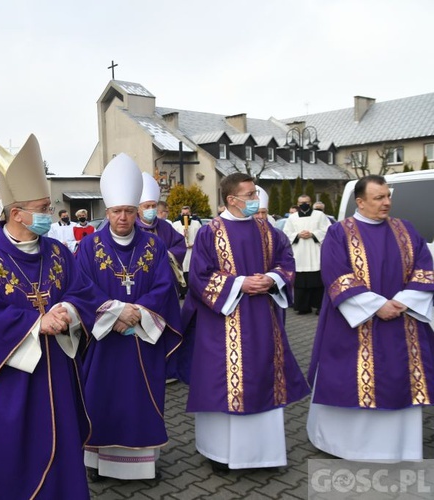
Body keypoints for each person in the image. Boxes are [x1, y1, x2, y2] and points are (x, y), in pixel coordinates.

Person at [0, 134, 98, 499]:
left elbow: (83, 292)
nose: (49, 215)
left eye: (49, 208)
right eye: (43, 208)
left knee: (62, 449)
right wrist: (35, 325)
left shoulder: (60, 252)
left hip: (58, 374)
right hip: (8, 378)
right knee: (12, 456)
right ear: (16, 213)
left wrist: (71, 311)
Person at [186, 172, 309, 471]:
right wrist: (239, 284)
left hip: (264, 323)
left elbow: (286, 263)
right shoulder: (210, 232)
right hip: (222, 324)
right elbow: (199, 277)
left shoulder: (268, 230)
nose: (257, 199)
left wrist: (272, 278)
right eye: (251, 194)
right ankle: (221, 454)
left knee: (263, 378)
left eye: (255, 194)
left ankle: (264, 455)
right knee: (221, 384)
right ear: (232, 199)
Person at [306, 175, 434, 462]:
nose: (387, 202)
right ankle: (344, 446)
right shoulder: (339, 233)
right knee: (347, 378)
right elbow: (336, 276)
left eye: (388, 196)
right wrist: (376, 306)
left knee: (400, 378)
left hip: (403, 322)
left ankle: (400, 447)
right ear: (360, 202)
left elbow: (425, 269)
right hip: (353, 326)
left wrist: (403, 302)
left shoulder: (406, 230)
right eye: (379, 198)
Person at [77, 153, 182, 481]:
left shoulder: (154, 245)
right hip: (104, 343)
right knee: (101, 398)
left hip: (142, 340)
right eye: (117, 211)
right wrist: (117, 312)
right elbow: (81, 289)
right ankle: (97, 463)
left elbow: (165, 287)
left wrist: (137, 313)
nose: (123, 218)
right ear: (106, 212)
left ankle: (143, 466)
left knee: (142, 401)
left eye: (129, 211)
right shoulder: (89, 247)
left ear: (137, 211)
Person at [136, 173, 187, 292]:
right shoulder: (132, 227)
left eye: (153, 206)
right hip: (140, 277)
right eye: (147, 206)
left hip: (165, 276)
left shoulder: (164, 226)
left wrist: (166, 254)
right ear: (138, 209)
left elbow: (179, 243)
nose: (151, 209)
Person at [282, 194, 330, 315]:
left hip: (315, 252)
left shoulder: (319, 215)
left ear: (310, 202)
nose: (304, 204)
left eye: (306, 202)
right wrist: (297, 235)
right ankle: (303, 307)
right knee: (300, 283)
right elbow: (286, 233)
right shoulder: (292, 218)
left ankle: (319, 306)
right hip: (299, 254)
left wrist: (313, 234)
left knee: (317, 282)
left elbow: (327, 230)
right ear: (298, 204)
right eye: (301, 202)